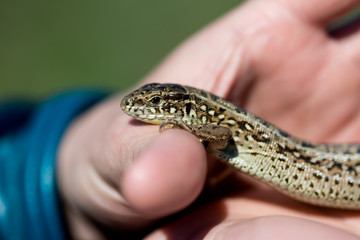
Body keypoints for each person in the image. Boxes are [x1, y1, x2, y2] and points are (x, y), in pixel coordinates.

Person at [2, 0, 360, 239]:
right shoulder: (216, 127)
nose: (140, 108)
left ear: (184, 108)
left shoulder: (216, 127)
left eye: (157, 102)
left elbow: (218, 136)